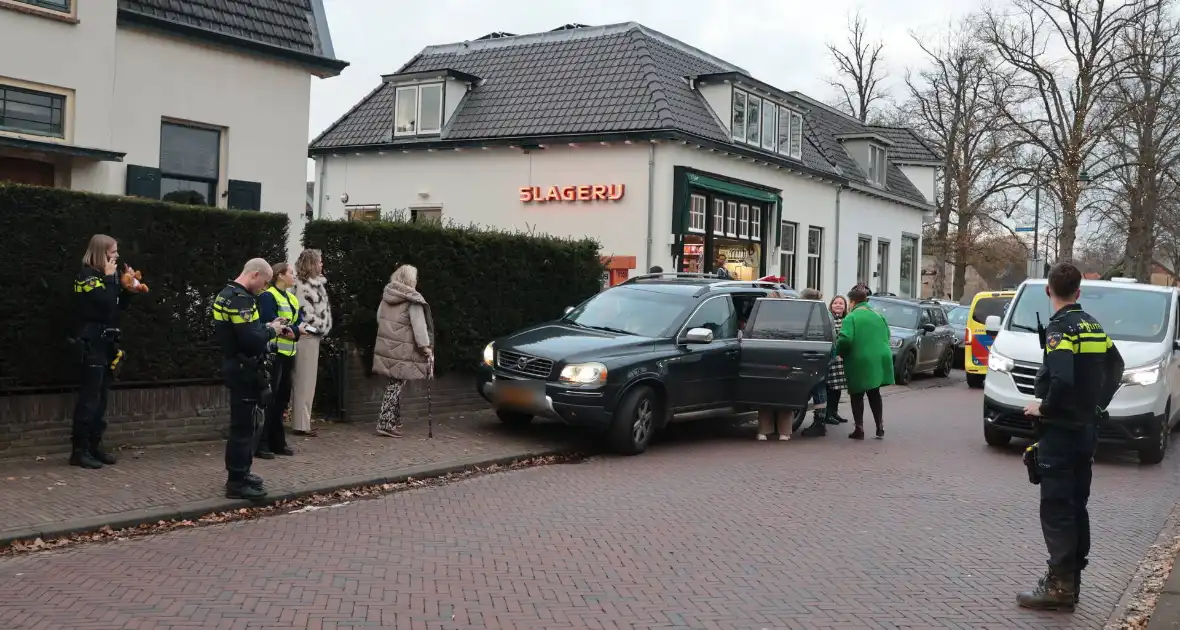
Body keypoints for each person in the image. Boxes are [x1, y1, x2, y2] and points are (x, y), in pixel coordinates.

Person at [1016, 262, 1123, 611]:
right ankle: (1072, 581)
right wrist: (1097, 405)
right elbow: (1116, 366)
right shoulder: (1093, 325)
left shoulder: (1060, 329)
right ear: (1079, 291)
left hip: (1061, 433)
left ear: (1049, 290)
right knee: (1077, 505)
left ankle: (1059, 588)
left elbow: (1061, 378)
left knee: (1057, 508)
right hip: (1085, 432)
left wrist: (1043, 408)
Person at [213, 258, 287, 500]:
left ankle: (242, 472)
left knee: (246, 425)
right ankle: (236, 481)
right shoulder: (240, 300)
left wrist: (264, 326)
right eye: (264, 282)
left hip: (236, 364)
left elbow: (244, 331)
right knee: (244, 427)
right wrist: (272, 330)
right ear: (255, 274)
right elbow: (250, 340)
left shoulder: (226, 294)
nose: (264, 288)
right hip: (244, 369)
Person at [69, 234, 137, 469]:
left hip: (107, 341)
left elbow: (116, 309)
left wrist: (128, 289)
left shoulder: (108, 276)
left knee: (102, 398)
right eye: (113, 252)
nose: (117, 256)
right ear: (101, 253)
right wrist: (110, 279)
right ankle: (79, 452)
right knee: (89, 399)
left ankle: (94, 446)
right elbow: (104, 303)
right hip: (92, 341)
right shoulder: (88, 276)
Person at [372, 264, 434, 437]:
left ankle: (394, 419)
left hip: (388, 346)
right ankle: (385, 423)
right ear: (410, 279)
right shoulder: (413, 300)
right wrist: (425, 347)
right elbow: (419, 327)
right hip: (404, 348)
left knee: (394, 383)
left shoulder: (387, 296)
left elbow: (379, 319)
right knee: (396, 384)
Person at [256, 262, 303, 459]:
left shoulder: (292, 298)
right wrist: (292, 331)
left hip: (289, 354)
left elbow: (299, 322)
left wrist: (294, 331)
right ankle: (262, 443)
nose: (294, 276)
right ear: (280, 275)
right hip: (274, 354)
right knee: (270, 399)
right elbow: (270, 321)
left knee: (282, 399)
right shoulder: (268, 296)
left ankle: (278, 441)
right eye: (291, 272)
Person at [836, 285, 894, 439]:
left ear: (852, 302)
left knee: (857, 393)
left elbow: (845, 339)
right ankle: (879, 426)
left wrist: (838, 351)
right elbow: (888, 335)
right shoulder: (878, 315)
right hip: (880, 358)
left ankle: (859, 429)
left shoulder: (851, 317)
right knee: (874, 392)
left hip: (859, 359)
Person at [291, 249, 332, 437]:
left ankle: (304, 421)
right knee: (304, 381)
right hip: (306, 336)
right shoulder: (302, 286)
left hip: (312, 336)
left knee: (308, 381)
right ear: (311, 264)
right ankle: (301, 424)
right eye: (319, 261)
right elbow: (305, 314)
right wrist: (320, 327)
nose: (322, 264)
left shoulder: (314, 284)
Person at [798, 288, 830, 437]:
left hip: (815, 354)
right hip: (821, 353)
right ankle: (820, 420)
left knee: (818, 387)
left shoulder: (814, 313)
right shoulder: (823, 312)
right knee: (819, 387)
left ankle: (819, 423)